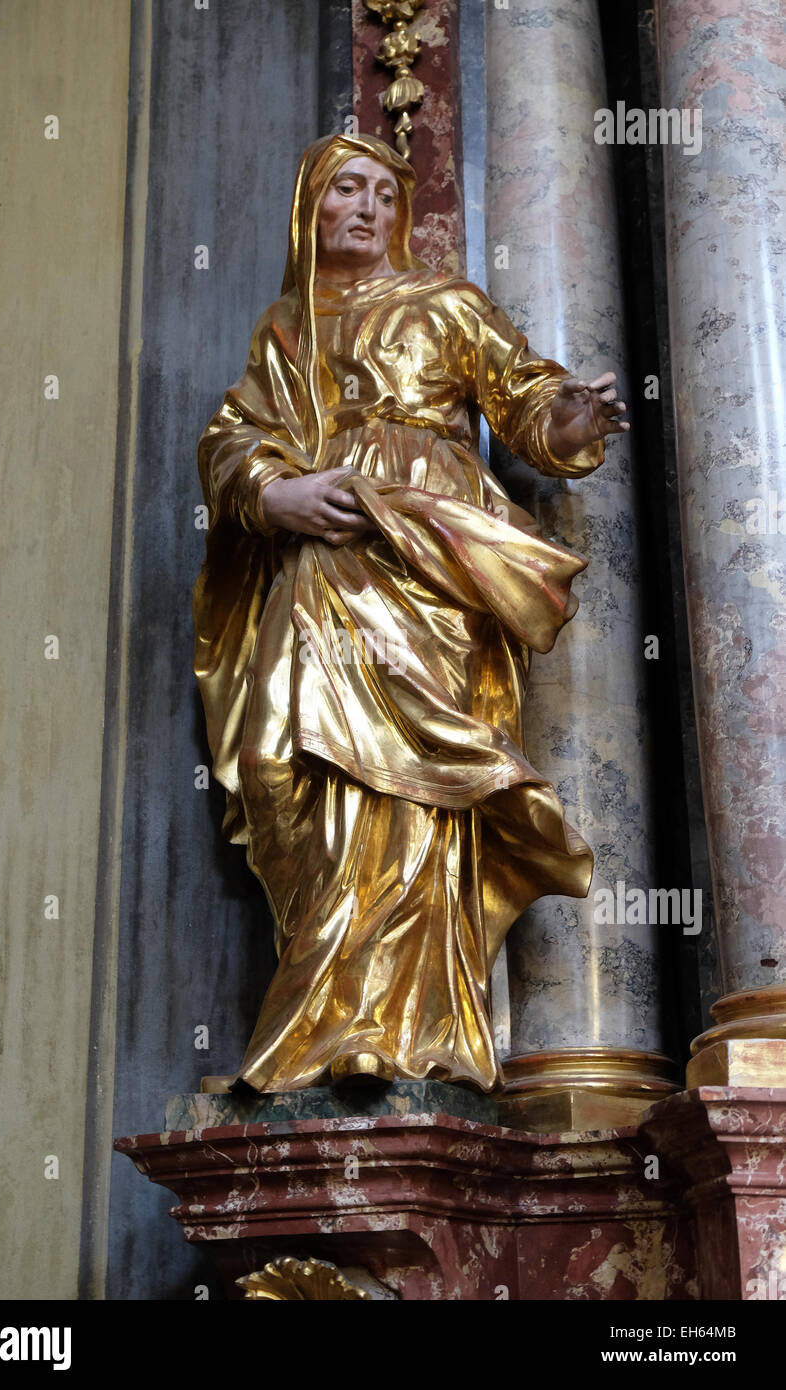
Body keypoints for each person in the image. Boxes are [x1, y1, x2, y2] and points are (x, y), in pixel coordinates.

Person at [193, 133, 629, 1093]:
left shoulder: (448, 305)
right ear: (311, 206)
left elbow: (523, 400)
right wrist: (274, 496)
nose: (369, 210)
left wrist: (569, 419)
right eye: (347, 190)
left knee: (414, 783)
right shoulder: (287, 327)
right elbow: (232, 439)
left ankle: (402, 1027)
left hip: (428, 557)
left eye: (386, 196)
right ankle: (322, 1008)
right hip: (322, 554)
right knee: (277, 763)